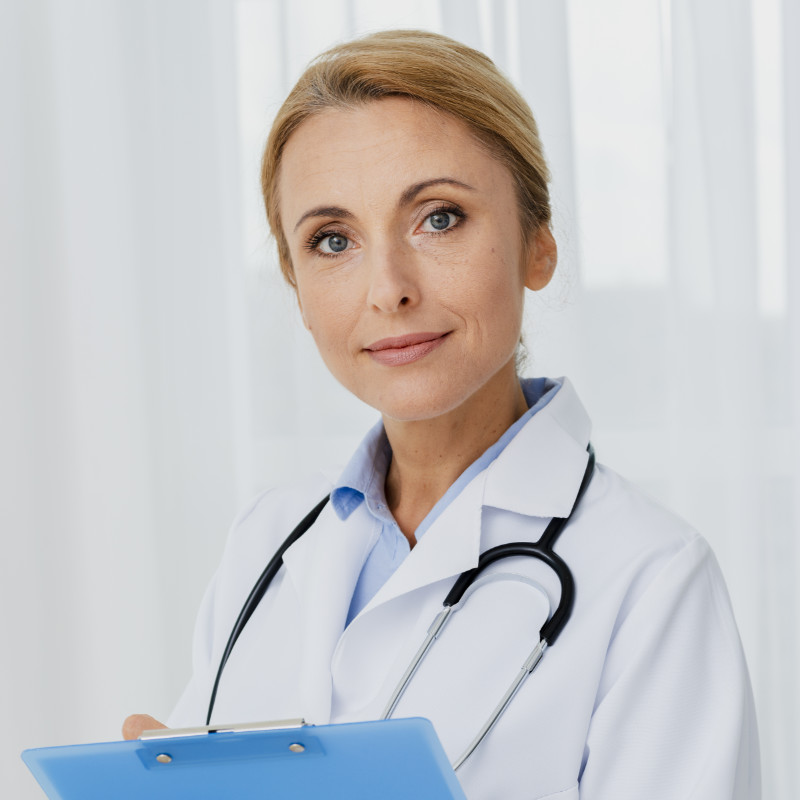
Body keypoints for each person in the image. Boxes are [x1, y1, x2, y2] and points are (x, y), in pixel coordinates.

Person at [123, 29, 760, 799]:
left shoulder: (651, 576)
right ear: (296, 287)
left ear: (538, 243)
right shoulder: (267, 541)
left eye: (440, 218)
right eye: (333, 240)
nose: (388, 288)